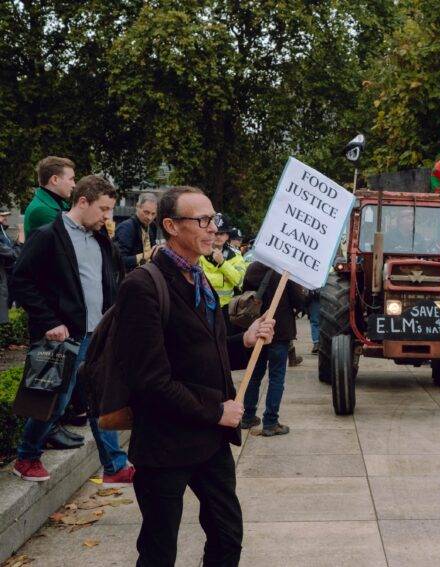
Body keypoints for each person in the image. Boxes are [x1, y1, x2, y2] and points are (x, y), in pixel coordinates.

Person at [110, 186, 275, 566]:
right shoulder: (143, 285)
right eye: (201, 220)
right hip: (165, 443)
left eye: (213, 219)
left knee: (227, 535)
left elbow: (205, 351)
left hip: (209, 442)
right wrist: (216, 411)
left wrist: (244, 342)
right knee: (159, 549)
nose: (212, 228)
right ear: (170, 225)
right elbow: (149, 379)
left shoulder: (199, 277)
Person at [11, 175, 133, 484]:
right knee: (55, 400)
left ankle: (115, 466)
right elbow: (21, 281)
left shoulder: (100, 238)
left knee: (100, 399)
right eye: (103, 209)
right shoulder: (48, 236)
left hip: (97, 333)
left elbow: (108, 280)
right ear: (82, 201)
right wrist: (50, 322)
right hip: (63, 337)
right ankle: (26, 458)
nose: (108, 217)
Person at [240, 262, 305, 435]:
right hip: (280, 331)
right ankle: (270, 422)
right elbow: (299, 301)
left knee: (254, 375)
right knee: (276, 377)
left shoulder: (253, 268)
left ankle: (247, 417)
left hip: (257, 327)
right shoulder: (286, 271)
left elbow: (244, 294)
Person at [200, 217, 247, 328]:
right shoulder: (198, 252)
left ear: (227, 236)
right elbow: (195, 277)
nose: (218, 236)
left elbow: (240, 281)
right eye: (216, 233)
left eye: (222, 233)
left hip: (226, 309)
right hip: (203, 307)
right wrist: (222, 278)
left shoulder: (236, 256)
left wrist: (222, 263)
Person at [24, 156, 75, 237]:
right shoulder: (41, 210)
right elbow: (72, 238)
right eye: (71, 179)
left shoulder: (58, 203)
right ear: (55, 180)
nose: (74, 185)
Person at [115, 192, 159, 271]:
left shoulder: (152, 226)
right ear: (137, 207)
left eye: (153, 214)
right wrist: (147, 255)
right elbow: (119, 260)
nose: (150, 217)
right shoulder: (126, 227)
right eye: (146, 212)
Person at [0, 209, 23, 321]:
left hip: (8, 278)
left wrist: (18, 242)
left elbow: (12, 249)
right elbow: (13, 254)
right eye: (2, 216)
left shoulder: (3, 233)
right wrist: (21, 242)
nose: (5, 218)